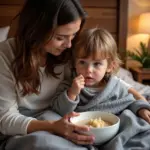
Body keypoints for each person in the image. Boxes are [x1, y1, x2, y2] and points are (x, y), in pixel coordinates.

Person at [0, 0, 147, 150]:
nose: (69, 45)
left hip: (62, 118)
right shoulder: (5, 55)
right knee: (44, 144)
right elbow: (5, 119)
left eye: (74, 35)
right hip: (28, 126)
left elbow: (117, 83)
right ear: (36, 30)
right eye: (60, 37)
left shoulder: (71, 49)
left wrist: (142, 106)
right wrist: (53, 127)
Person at [50, 28, 150, 124]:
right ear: (74, 64)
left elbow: (130, 101)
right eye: (82, 62)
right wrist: (72, 93)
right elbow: (59, 111)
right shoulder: (69, 85)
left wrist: (141, 108)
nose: (89, 70)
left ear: (110, 66)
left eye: (97, 64)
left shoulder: (116, 86)